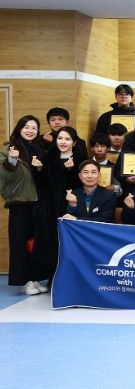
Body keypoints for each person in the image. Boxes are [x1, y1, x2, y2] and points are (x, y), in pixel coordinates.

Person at [0, 115, 46, 295]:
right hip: (20, 202)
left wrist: (40, 168)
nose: (30, 131)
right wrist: (12, 160)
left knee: (35, 243)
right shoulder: (9, 148)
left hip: (37, 202)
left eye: (34, 128)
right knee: (20, 243)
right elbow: (4, 176)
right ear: (19, 128)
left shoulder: (38, 149)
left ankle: (34, 279)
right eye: (26, 127)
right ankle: (24, 281)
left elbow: (40, 179)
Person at [39, 126, 87, 280]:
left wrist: (71, 170)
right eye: (60, 138)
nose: (63, 142)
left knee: (69, 241)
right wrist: (38, 169)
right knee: (51, 242)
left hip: (71, 206)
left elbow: (83, 184)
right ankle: (52, 278)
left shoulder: (80, 159)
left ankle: (70, 277)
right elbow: (42, 183)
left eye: (67, 139)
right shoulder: (49, 157)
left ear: (74, 142)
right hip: (49, 207)